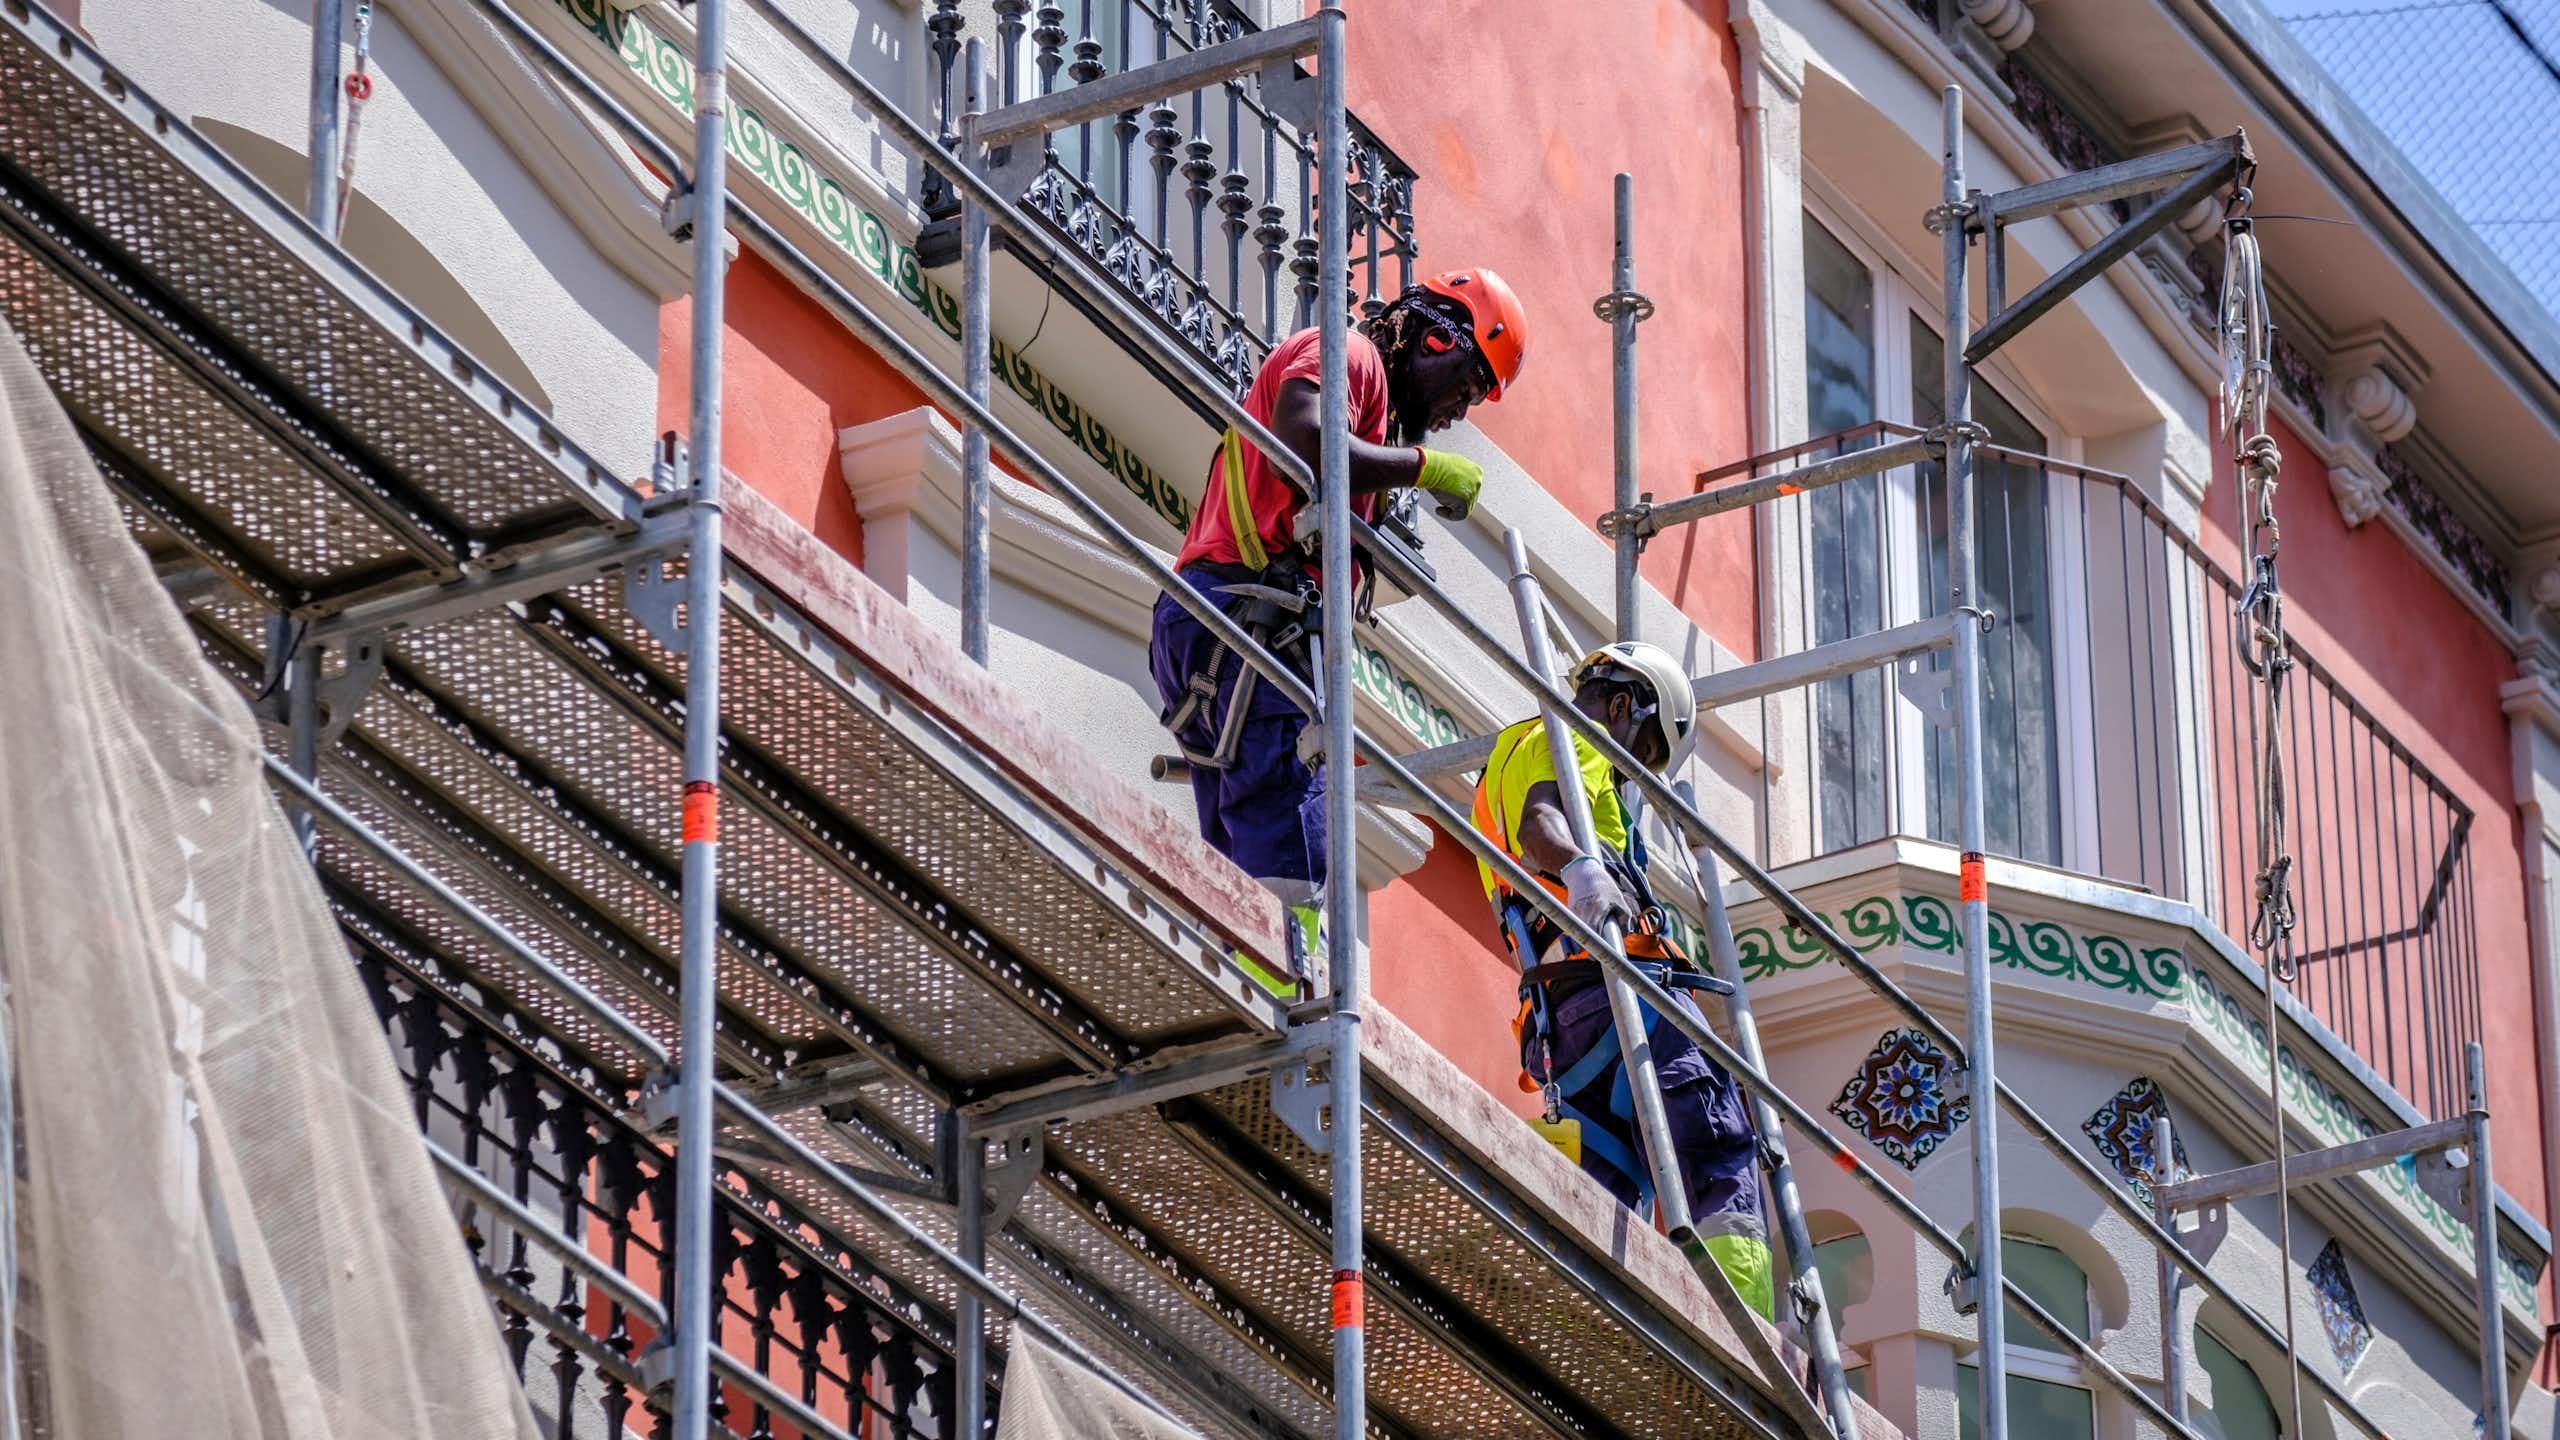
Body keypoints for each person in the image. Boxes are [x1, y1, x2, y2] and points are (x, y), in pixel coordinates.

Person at [1150, 269, 1527, 954]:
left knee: (1241, 840)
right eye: (1465, 387)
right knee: (1291, 827)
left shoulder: (1368, 402)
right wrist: (1422, 467)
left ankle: (1249, 966)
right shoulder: (1346, 355)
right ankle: (1284, 987)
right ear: (1435, 338)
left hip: (1219, 624)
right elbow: (1304, 436)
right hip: (1246, 619)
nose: (1458, 415)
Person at [1470, 640, 1774, 1318]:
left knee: (1605, 1197)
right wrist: (1582, 869)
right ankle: (1744, 1327)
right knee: (1714, 1147)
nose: (1630, 773)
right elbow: (1540, 824)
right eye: (1638, 751)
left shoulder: (1503, 760)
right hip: (1625, 992)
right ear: (1622, 704)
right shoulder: (1579, 737)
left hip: (1560, 1025)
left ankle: (1598, 1327)